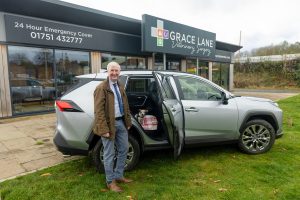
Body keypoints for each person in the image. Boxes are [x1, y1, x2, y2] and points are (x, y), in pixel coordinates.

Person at [93, 61, 133, 192]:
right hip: (109, 125)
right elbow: (98, 112)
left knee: (124, 149)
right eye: (112, 71)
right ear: (108, 72)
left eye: (117, 71)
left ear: (119, 72)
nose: (114, 73)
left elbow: (125, 105)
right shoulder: (101, 88)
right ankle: (110, 181)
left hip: (121, 122)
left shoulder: (120, 85)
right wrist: (103, 130)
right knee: (109, 154)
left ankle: (119, 175)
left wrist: (127, 122)